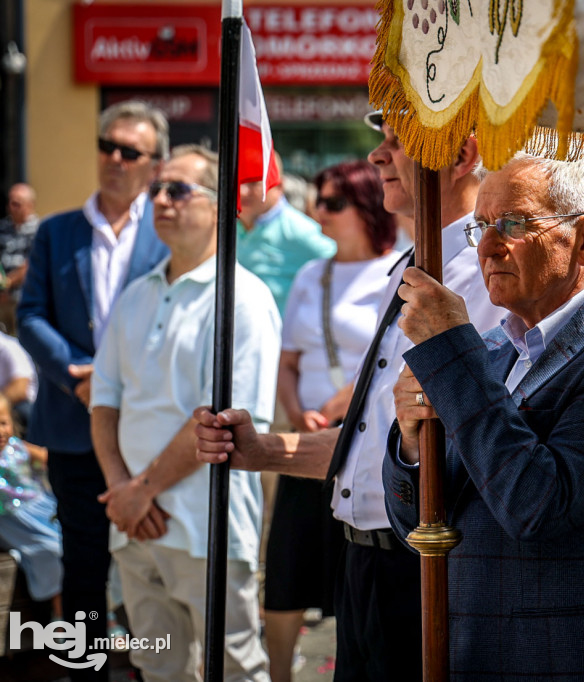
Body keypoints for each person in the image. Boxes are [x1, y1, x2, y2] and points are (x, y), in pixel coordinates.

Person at [194, 113, 504, 681]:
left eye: (396, 142)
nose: (378, 157)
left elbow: (467, 444)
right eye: (380, 143)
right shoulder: (412, 268)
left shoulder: (486, 272)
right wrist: (261, 451)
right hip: (365, 562)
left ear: (461, 157)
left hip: (430, 568)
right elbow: (374, 448)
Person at [384, 153, 584, 679]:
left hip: (572, 659)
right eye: (481, 225)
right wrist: (411, 443)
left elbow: (535, 505)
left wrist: (453, 354)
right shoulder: (496, 349)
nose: (488, 244)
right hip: (474, 648)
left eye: (515, 224)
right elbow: (420, 524)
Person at [91, 145, 278, 681]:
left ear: (222, 203)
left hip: (206, 522)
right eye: (156, 190)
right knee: (158, 669)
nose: (161, 200)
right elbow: (104, 400)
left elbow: (219, 420)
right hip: (135, 526)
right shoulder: (137, 294)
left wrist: (140, 490)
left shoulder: (244, 298)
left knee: (235, 669)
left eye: (178, 189)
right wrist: (122, 490)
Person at [17, 100, 169, 680]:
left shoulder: (166, 232)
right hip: (72, 422)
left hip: (147, 426)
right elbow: (30, 315)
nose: (114, 159)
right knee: (83, 559)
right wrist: (76, 373)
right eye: (107, 146)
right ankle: (85, 669)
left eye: (129, 151)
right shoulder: (58, 232)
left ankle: (149, 664)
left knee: (150, 557)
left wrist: (123, 383)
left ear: (154, 164)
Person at [264, 159, 400, 682]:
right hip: (308, 439)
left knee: (352, 567)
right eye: (318, 200)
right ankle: (279, 675)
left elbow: (387, 360)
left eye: (333, 202)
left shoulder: (394, 271)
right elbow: (288, 358)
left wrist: (340, 408)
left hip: (363, 443)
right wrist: (300, 414)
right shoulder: (311, 273)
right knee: (286, 567)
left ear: (366, 206)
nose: (319, 211)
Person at [237, 155, 336, 317]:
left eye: (253, 182)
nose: (242, 191)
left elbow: (348, 270)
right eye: (238, 181)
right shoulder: (223, 227)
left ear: (279, 186)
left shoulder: (302, 232)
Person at [0, 394, 61, 611]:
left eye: (3, 423)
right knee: (51, 550)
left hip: (42, 509)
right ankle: (61, 614)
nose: (0, 431)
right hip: (14, 521)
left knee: (78, 544)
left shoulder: (18, 447)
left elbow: (48, 458)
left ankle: (105, 614)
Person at [0, 183, 39, 333]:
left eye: (17, 203)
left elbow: (32, 264)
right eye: (10, 202)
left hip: (24, 301)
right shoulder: (2, 227)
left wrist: (7, 283)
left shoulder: (39, 230)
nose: (11, 206)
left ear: (30, 205)